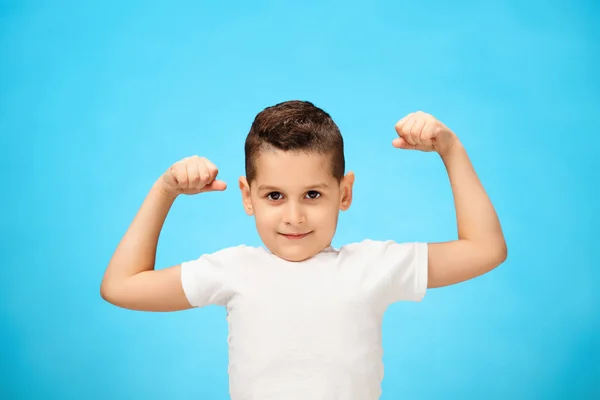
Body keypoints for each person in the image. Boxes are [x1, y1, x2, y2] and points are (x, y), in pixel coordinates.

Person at [100, 100, 507, 399]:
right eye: (274, 195)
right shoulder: (232, 270)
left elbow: (485, 249)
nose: (294, 217)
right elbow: (121, 286)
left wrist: (450, 149)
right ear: (247, 196)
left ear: (344, 193)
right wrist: (165, 190)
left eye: (312, 194)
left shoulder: (373, 266)